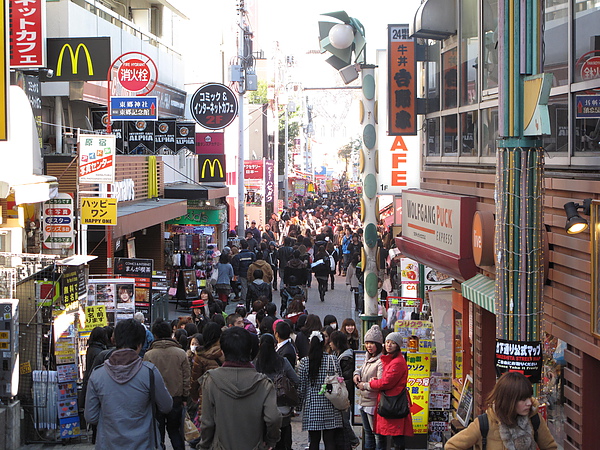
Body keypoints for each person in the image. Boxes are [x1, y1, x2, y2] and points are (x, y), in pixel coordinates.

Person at [84, 319, 173, 450]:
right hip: (144, 444)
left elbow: (91, 416)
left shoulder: (97, 374)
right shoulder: (149, 372)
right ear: (140, 345)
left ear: (114, 340)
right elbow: (166, 406)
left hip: (108, 444)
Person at [199, 326, 282, 449]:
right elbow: (273, 418)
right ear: (250, 350)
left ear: (222, 350)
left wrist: (204, 445)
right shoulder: (263, 383)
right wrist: (270, 440)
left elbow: (207, 423)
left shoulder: (211, 380)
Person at [445, 372, 558, 450]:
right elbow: (451, 446)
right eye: (522, 399)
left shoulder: (534, 419)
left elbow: (550, 447)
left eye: (529, 397)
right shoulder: (484, 423)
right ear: (509, 400)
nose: (529, 403)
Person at [143, 318, 191, 450]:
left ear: (155, 335)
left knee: (158, 433)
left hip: (156, 400)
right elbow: (187, 377)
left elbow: (146, 379)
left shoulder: (149, 355)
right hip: (176, 398)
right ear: (171, 333)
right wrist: (185, 397)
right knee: (175, 432)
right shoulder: (180, 353)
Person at [363, 332, 414, 449]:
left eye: (393, 343)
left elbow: (386, 382)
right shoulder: (392, 360)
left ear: (398, 346)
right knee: (394, 435)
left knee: (396, 435)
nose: (389, 345)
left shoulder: (397, 362)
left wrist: (371, 383)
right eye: (387, 342)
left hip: (393, 402)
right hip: (391, 401)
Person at [297, 330, 344, 450]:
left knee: (314, 441)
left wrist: (298, 404)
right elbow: (339, 380)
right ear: (324, 343)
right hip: (330, 403)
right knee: (330, 441)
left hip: (312, 406)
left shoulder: (304, 362)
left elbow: (301, 386)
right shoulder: (332, 359)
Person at [255, 333, 300, 450]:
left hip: (260, 408)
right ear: (274, 345)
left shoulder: (255, 364)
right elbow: (296, 380)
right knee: (283, 440)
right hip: (282, 407)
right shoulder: (282, 362)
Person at [353, 325, 384, 450]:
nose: (369, 346)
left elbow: (380, 383)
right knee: (368, 435)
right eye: (367, 343)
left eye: (372, 343)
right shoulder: (367, 358)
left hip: (373, 404)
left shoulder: (380, 361)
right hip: (363, 402)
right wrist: (356, 374)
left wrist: (363, 385)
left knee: (376, 436)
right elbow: (361, 370)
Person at [329, 330, 360, 449]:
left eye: (331, 341)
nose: (330, 344)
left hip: (345, 394)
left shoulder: (346, 358)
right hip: (344, 393)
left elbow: (346, 378)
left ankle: (353, 440)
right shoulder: (339, 355)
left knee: (344, 419)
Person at [190, 322, 224, 424]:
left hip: (206, 398)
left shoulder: (200, 356)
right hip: (225, 396)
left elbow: (195, 380)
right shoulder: (225, 352)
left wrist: (195, 396)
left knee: (207, 428)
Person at [231, 239, 256, 306]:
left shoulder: (238, 256)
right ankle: (251, 297)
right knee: (251, 285)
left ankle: (244, 298)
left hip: (242, 273)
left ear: (240, 246)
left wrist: (236, 274)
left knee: (244, 286)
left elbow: (236, 266)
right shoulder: (252, 254)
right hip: (251, 273)